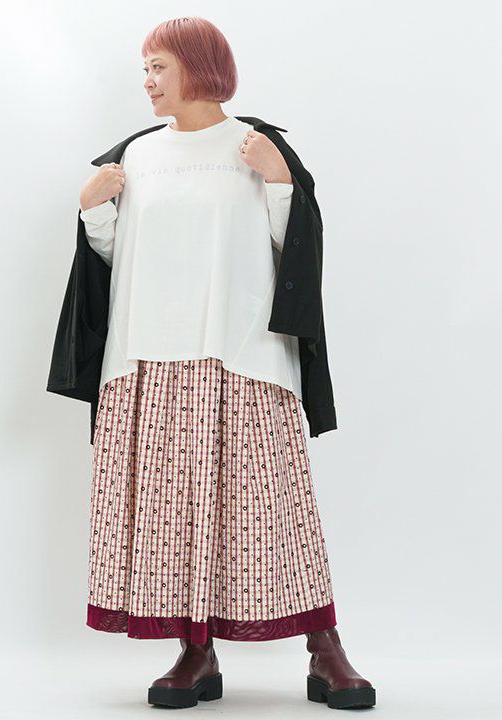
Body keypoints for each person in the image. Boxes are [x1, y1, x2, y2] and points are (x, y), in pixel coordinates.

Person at [75, 15, 376, 711]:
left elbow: (294, 252)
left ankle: (325, 650)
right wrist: (92, 211)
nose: (148, 82)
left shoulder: (255, 146)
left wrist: (282, 183)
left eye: (159, 66)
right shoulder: (134, 157)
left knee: (275, 509)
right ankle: (196, 651)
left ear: (199, 66)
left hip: (242, 356)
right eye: (145, 69)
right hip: (149, 360)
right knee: (172, 517)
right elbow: (120, 260)